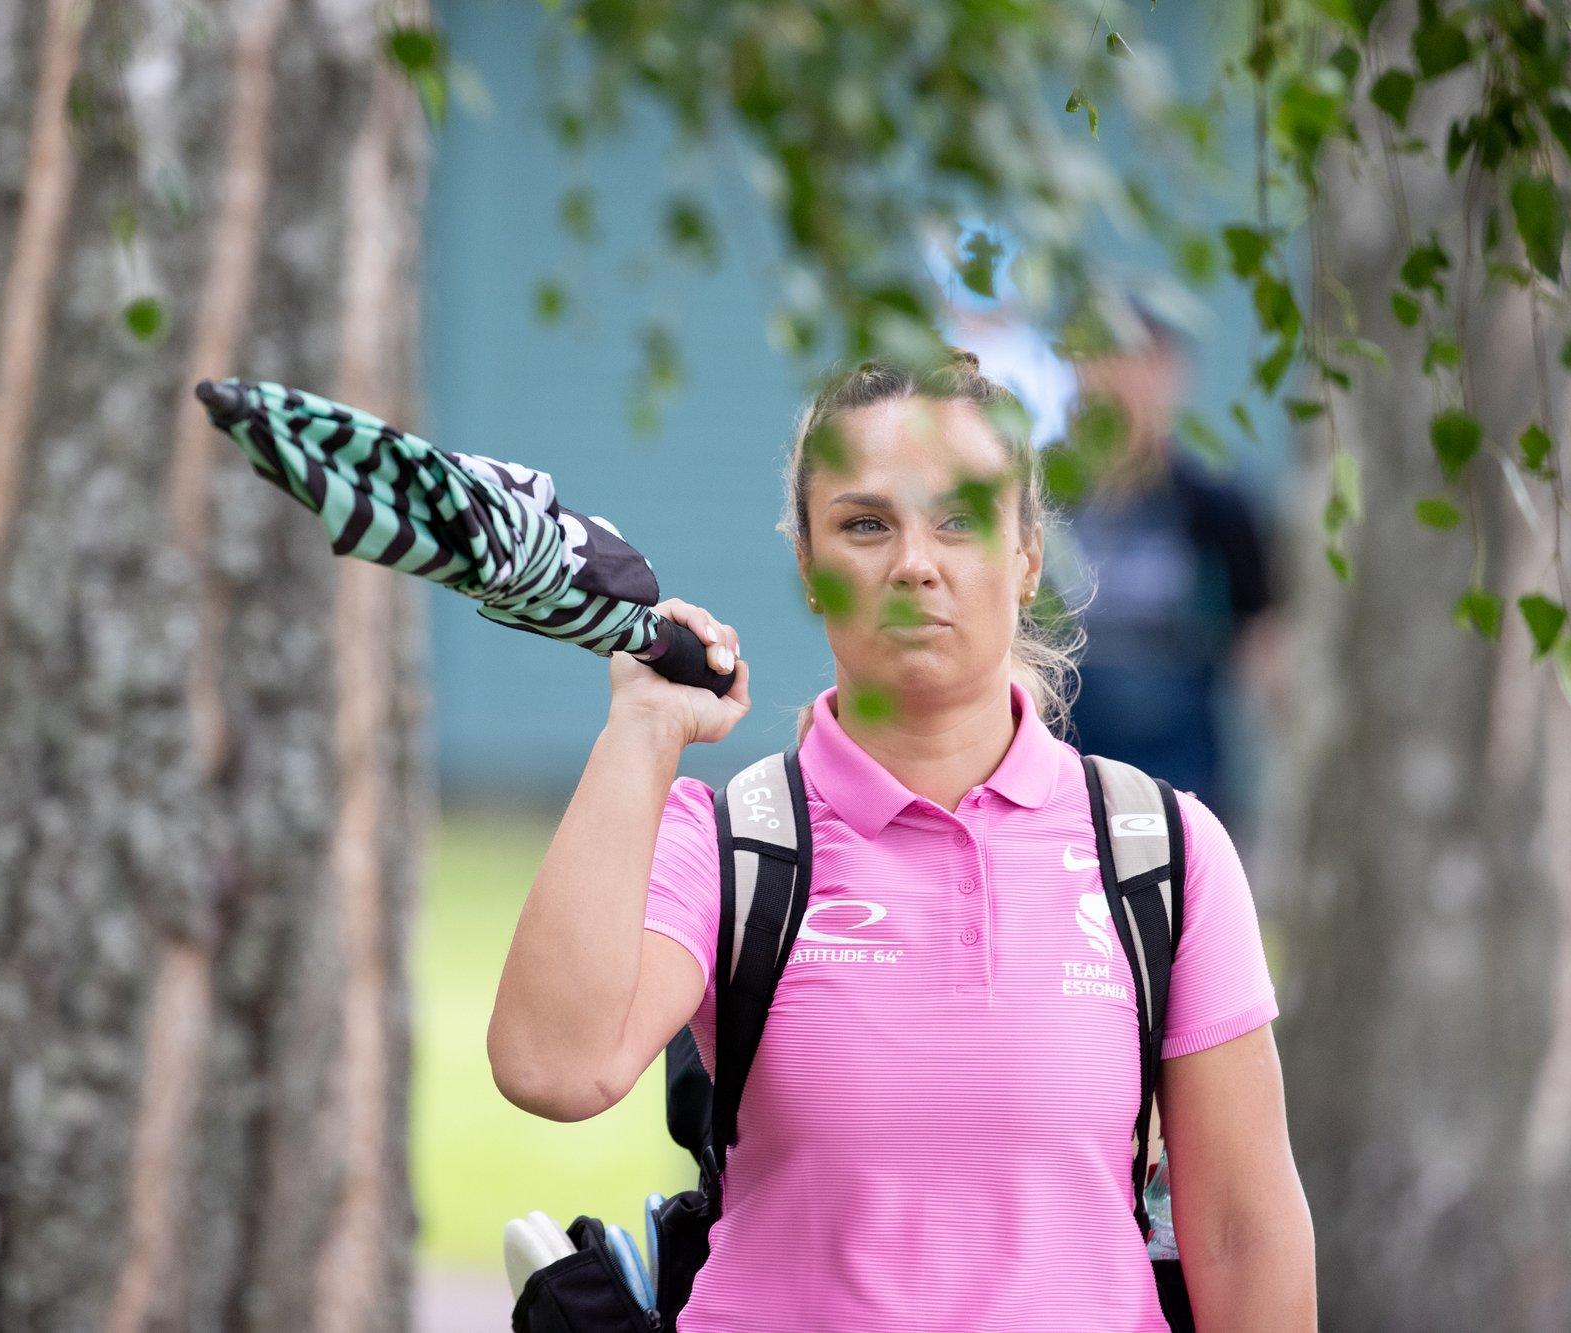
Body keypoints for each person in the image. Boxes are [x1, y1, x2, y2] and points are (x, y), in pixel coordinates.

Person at [486, 350, 1315, 1330]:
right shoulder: (732, 843)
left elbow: (1237, 1232)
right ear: (808, 564)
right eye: (864, 523)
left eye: (959, 519)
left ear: (1027, 554)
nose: (914, 561)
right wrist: (640, 732)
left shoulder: (1161, 853)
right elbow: (550, 1066)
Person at [1053, 319, 1286, 833]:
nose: (1124, 381)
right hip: (1059, 772)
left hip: (1180, 779)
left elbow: (1263, 644)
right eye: (1105, 360)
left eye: (1143, 363)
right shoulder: (1040, 493)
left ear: (1173, 377)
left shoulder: (1215, 503)